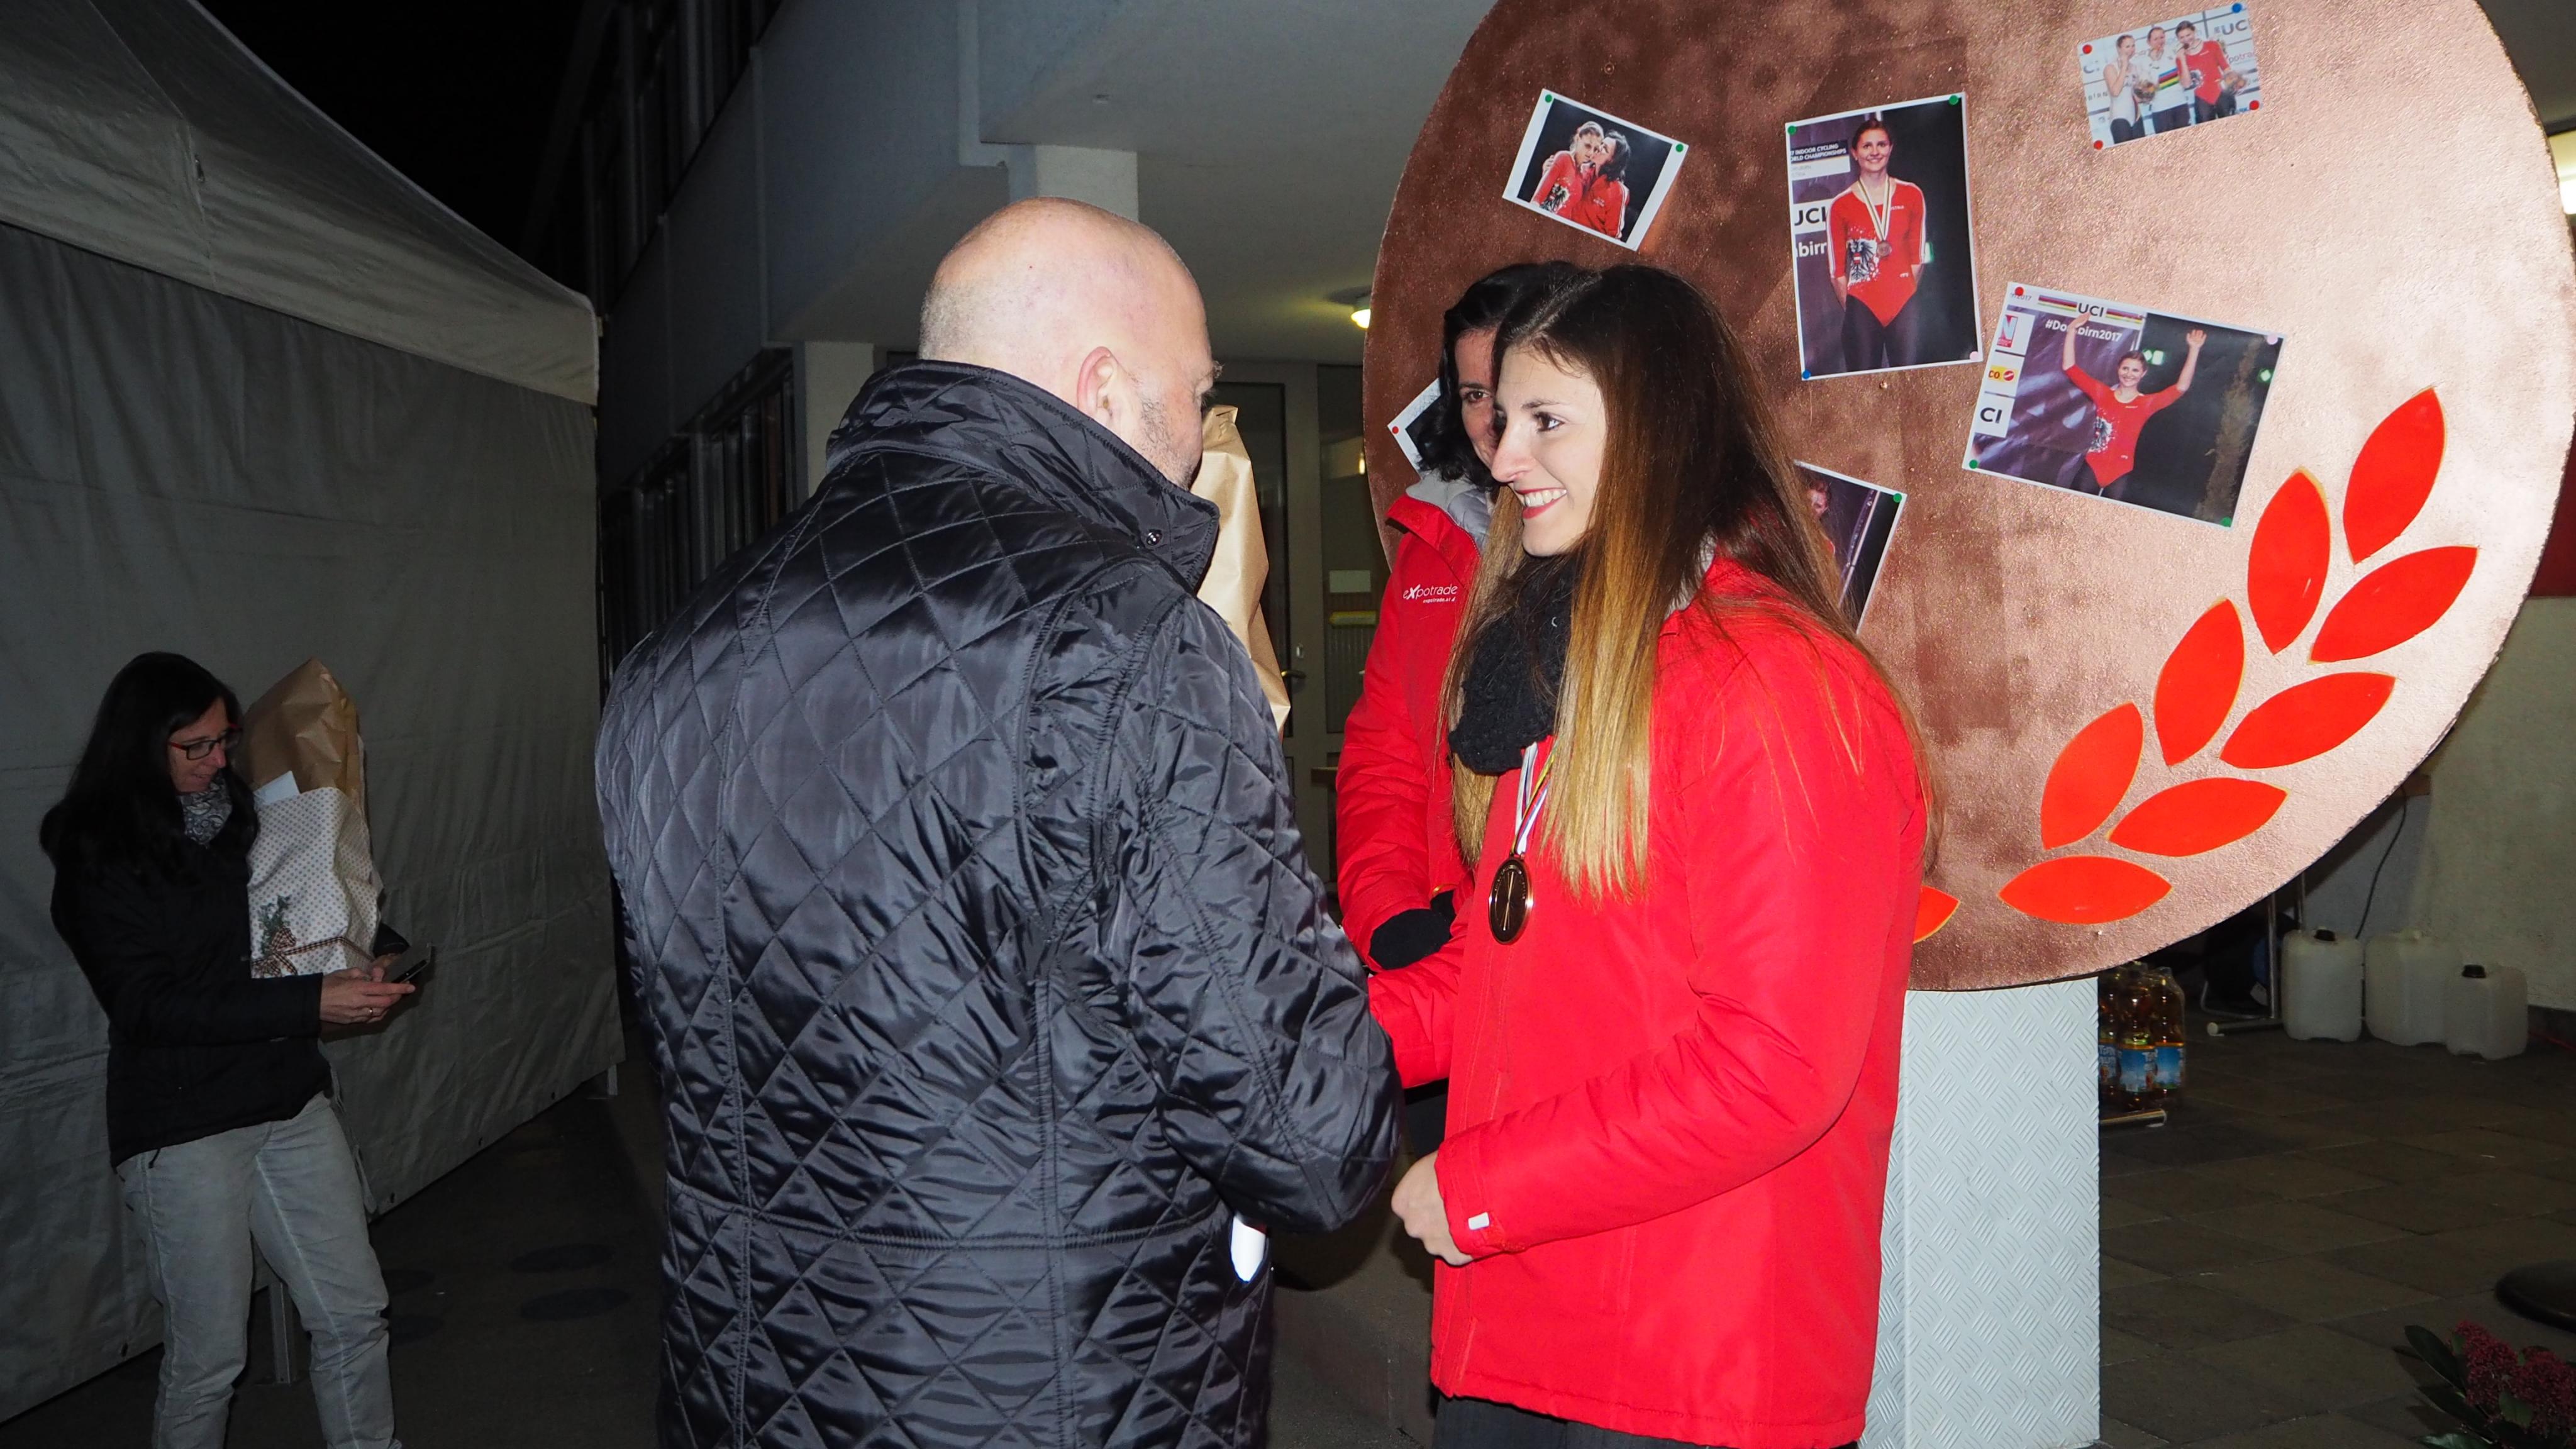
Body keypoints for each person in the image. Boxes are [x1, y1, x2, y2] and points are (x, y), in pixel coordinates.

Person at [594, 197, 1400, 1449]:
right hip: (1050, 1395)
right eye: (1195, 396)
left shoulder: (671, 659)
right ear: (1104, 388)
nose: (1200, 439)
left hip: (744, 1386)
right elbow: (1311, 1136)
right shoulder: (1124, 642)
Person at [1370, 264, 1924, 1449]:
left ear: (1658, 432)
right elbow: (1511, 959)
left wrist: (1482, 1186)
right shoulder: (1575, 661)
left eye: (1546, 420)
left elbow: (1773, 1065)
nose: (1504, 459)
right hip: (1534, 1315)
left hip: (1695, 1352)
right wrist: (1322, 1045)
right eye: (1502, 420)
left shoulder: (1774, 685)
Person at [41, 651, 412, 1449]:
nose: (218, 762)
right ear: (141, 744)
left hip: (286, 1097)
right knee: (209, 1360)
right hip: (184, 1126)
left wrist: (370, 950)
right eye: (196, 747)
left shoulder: (240, 817)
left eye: (224, 740)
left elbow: (298, 905)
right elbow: (147, 1008)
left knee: (353, 1316)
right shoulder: (96, 855)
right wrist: (311, 1001)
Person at [1338, 262, 1576, 1155]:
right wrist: (1389, 914)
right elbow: (1384, 753)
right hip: (1429, 949)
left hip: (1553, 960)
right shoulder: (1429, 540)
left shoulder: (1623, 555)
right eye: (1474, 395)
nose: (1490, 423)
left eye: (1512, 390)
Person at [1826, 119, 1930, 372]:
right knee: (1863, 386)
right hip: (1862, 307)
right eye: (1867, 146)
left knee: (1913, 382)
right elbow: (1837, 273)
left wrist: (1900, 290)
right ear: (1855, 153)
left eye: (1881, 145)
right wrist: (1857, 306)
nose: (1875, 152)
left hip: (1905, 304)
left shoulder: (1912, 194)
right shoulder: (1840, 205)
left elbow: (1918, 259)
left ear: (1891, 148)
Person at [2060, 318, 2206, 499]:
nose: (2129, 374)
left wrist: (2194, 350)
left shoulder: (2147, 404)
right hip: (2092, 467)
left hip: (2122, 473)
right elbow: (2070, 367)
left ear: (2143, 374)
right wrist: (2072, 330)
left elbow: (2181, 388)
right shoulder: (2102, 394)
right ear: (2118, 369)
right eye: (2125, 369)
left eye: (2135, 370)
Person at [1529, 121, 1604, 219]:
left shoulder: (1584, 176)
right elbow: (1538, 198)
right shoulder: (1563, 158)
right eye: (1588, 146)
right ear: (1578, 139)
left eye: (1595, 149)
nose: (1591, 153)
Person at [2178, 20, 2241, 123]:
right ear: (2178, 39)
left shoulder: (2212, 45)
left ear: (2194, 31)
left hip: (2221, 92)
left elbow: (2226, 68)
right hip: (2202, 98)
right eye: (2182, 37)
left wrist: (2233, 81)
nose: (2186, 39)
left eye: (2188, 35)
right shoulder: (2180, 57)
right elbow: (2186, 84)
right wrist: (2182, 60)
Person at [2142, 25, 2194, 134]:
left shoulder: (2173, 51)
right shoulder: (2144, 62)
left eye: (2162, 37)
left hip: (2180, 103)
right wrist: (2156, 63)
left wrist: (2182, 59)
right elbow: (2149, 91)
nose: (2160, 41)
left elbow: (2186, 83)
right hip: (2160, 109)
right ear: (2148, 42)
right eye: (2155, 39)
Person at [2102, 33, 2146, 144]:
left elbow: (2137, 96)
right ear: (2119, 49)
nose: (2131, 49)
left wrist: (2146, 94)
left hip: (2137, 117)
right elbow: (2115, 92)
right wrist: (2124, 68)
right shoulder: (2110, 68)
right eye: (2127, 47)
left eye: (2133, 46)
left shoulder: (2135, 67)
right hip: (2120, 118)